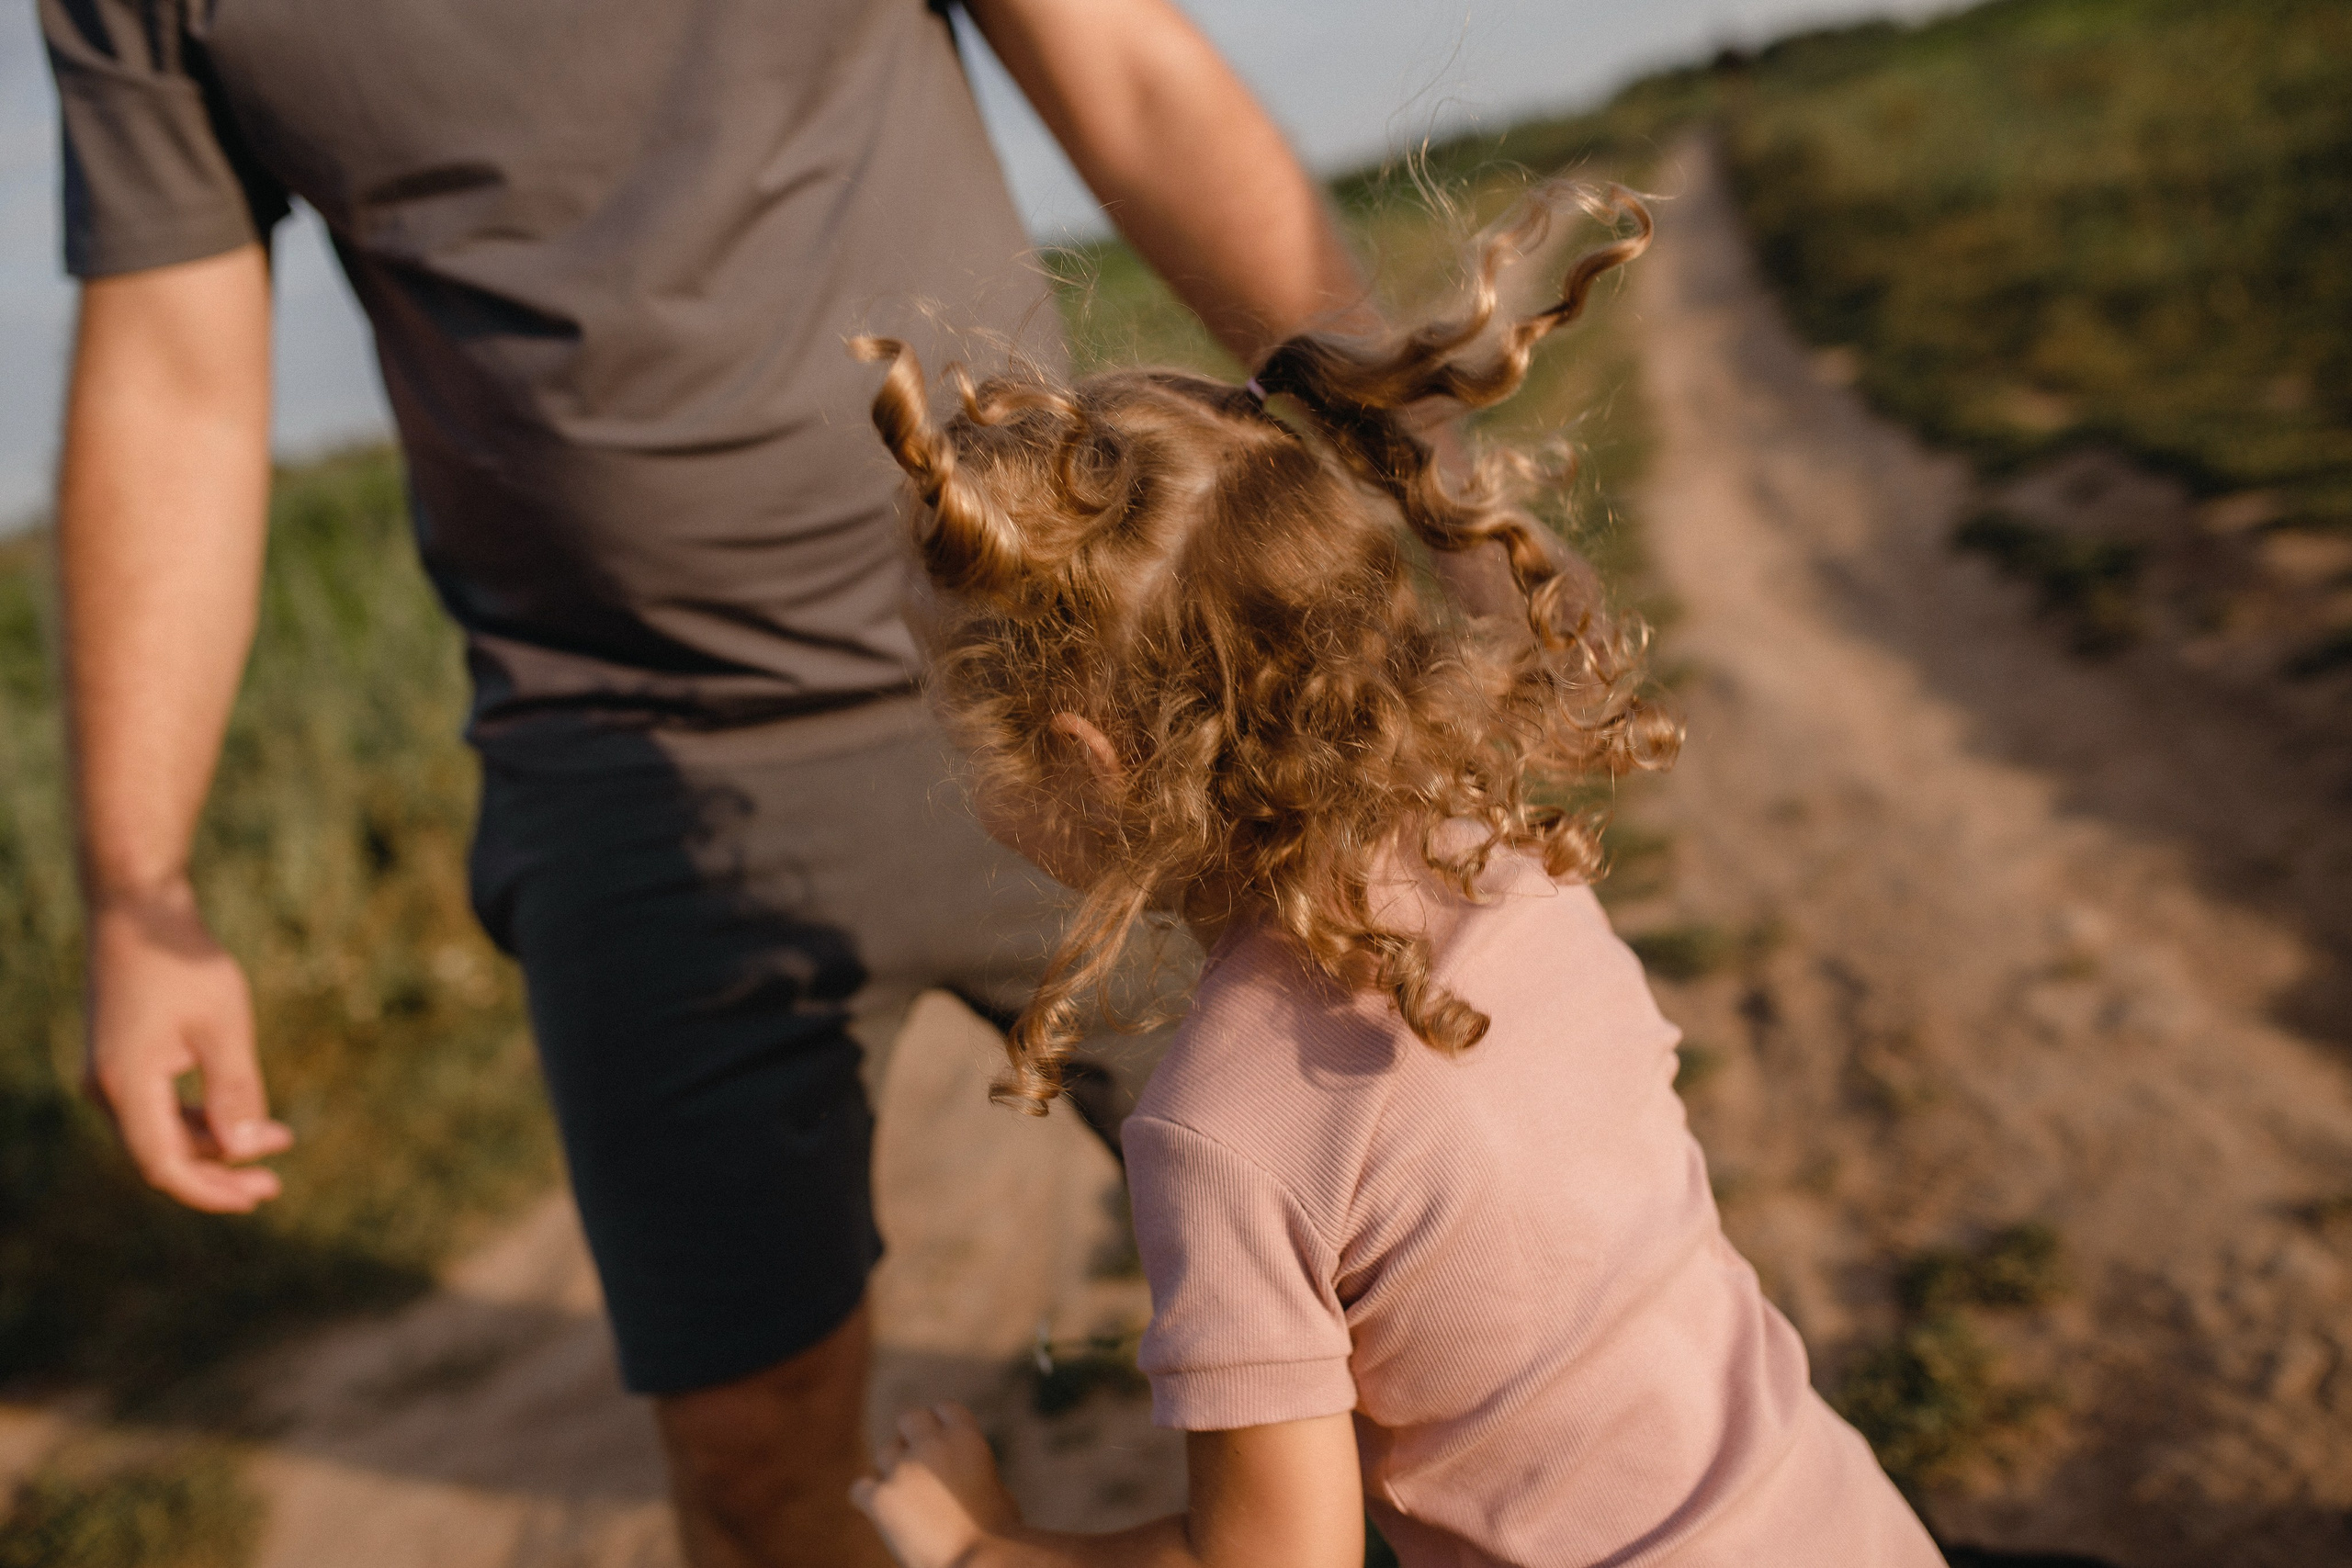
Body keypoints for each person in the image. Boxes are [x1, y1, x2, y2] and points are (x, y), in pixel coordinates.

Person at [41, 2, 1385, 1563]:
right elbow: (177, 376)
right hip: (626, 762)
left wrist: (1417, 469)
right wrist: (135, 886)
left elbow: (1133, 82)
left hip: (1072, 688)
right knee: (752, 1455)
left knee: (1402, 1314)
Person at [843, 183, 1945, 1566]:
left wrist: (980, 1545)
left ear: (1088, 758)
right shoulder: (1512, 870)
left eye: (949, 705)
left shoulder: (1227, 1132)